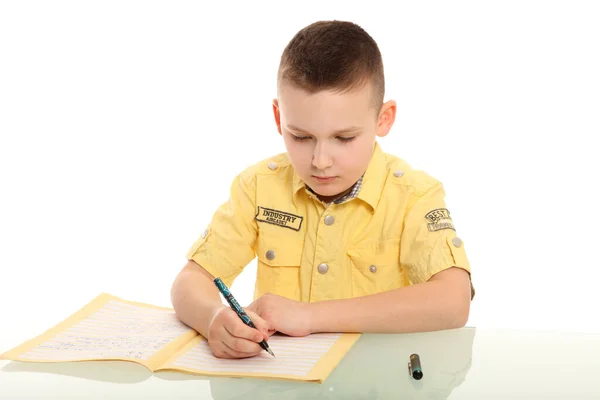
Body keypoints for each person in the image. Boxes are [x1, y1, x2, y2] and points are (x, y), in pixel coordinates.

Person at [171, 20, 474, 359]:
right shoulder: (258, 187)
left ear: (383, 119)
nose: (320, 161)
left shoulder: (414, 194)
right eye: (300, 137)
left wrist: (310, 316)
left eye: (344, 138)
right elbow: (189, 282)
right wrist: (213, 317)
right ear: (278, 117)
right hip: (283, 385)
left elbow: (454, 301)